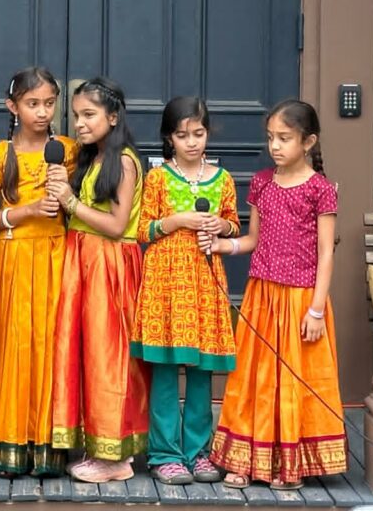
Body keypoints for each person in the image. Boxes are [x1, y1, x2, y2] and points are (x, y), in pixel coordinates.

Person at [200, 99, 346, 490]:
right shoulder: (263, 182)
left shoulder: (320, 190)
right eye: (271, 138)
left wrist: (316, 310)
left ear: (309, 141)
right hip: (262, 296)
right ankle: (245, 459)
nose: (275, 146)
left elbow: (326, 253)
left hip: (301, 300)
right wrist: (222, 246)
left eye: (285, 138)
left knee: (294, 380)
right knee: (254, 380)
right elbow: (252, 240)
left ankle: (288, 464)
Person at [0, 68, 78, 478]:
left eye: (49, 103)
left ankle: (48, 446)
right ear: (13, 107)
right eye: (33, 104)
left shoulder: (68, 150)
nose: (43, 112)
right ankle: (5, 442)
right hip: (13, 259)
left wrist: (67, 195)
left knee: (50, 347)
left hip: (56, 257)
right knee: (12, 348)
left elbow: (85, 205)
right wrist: (28, 210)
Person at [45, 77, 150, 483]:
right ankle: (96, 447)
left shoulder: (122, 161)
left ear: (113, 116)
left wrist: (71, 203)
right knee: (85, 354)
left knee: (108, 357)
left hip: (109, 265)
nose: (80, 124)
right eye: (75, 116)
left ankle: (115, 457)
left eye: (89, 115)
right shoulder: (94, 158)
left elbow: (117, 224)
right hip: (84, 263)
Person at [132, 97, 240, 484]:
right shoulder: (158, 178)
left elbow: (234, 225)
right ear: (169, 138)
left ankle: (198, 452)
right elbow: (141, 230)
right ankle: (165, 454)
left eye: (198, 133)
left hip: (205, 280)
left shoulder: (222, 179)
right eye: (182, 135)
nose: (192, 142)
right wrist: (175, 220)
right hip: (166, 281)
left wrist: (220, 228)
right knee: (164, 370)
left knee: (202, 370)